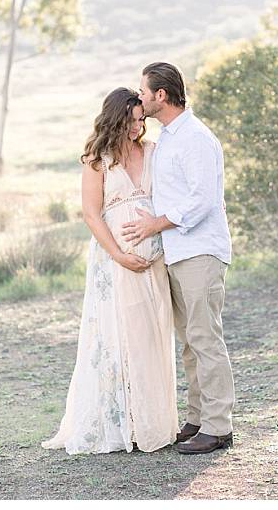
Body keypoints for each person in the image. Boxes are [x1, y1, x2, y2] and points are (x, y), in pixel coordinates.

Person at [42, 88, 178, 454]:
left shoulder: (152, 151)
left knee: (152, 335)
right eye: (132, 120)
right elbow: (91, 213)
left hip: (154, 260)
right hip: (115, 262)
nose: (138, 128)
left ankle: (152, 422)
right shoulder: (97, 160)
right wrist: (118, 254)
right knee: (121, 335)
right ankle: (123, 423)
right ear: (115, 118)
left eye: (141, 120)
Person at [122, 61, 235, 454]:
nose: (139, 96)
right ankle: (198, 418)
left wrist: (155, 225)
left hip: (200, 250)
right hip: (177, 253)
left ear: (161, 95)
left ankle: (219, 426)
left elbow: (202, 200)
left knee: (206, 339)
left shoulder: (196, 138)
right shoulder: (170, 136)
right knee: (190, 341)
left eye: (143, 91)